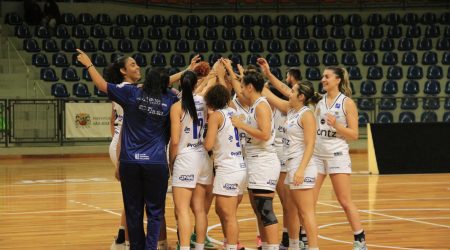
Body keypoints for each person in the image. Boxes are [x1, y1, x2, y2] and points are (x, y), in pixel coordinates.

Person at [77, 49, 177, 250]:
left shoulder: (131, 92)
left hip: (130, 161)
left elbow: (102, 85)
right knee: (155, 212)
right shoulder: (170, 99)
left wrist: (89, 64)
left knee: (133, 211)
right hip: (156, 162)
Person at [312, 66, 367, 250]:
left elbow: (354, 134)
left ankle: (360, 239)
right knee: (308, 202)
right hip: (317, 156)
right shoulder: (319, 103)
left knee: (344, 201)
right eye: (322, 77)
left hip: (337, 155)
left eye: (327, 76)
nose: (323, 79)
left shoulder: (347, 103)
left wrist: (336, 126)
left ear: (337, 80)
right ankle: (305, 239)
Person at [230, 69, 280, 250]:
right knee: (259, 210)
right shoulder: (254, 104)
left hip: (263, 161)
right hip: (254, 160)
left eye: (243, 87)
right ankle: (266, 245)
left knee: (265, 209)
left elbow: (265, 134)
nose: (240, 90)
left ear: (250, 87)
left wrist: (241, 125)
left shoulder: (261, 105)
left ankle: (273, 247)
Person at [169, 70, 213, 250]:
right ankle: (200, 246)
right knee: (200, 209)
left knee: (182, 210)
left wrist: (171, 161)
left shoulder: (177, 106)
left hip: (186, 158)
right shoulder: (204, 102)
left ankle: (185, 247)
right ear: (196, 84)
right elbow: (206, 89)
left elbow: (175, 140)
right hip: (203, 157)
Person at [203, 84, 247, 250]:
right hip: (239, 167)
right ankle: (232, 243)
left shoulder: (216, 116)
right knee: (221, 211)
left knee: (228, 215)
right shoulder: (233, 112)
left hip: (228, 168)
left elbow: (208, 145)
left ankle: (233, 246)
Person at [105, 56, 140, 250]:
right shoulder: (130, 90)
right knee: (134, 198)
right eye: (132, 64)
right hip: (124, 145)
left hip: (119, 142)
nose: (137, 66)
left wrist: (114, 139)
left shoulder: (118, 91)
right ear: (123, 71)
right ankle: (125, 241)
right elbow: (162, 83)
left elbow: (112, 121)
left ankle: (121, 236)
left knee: (131, 196)